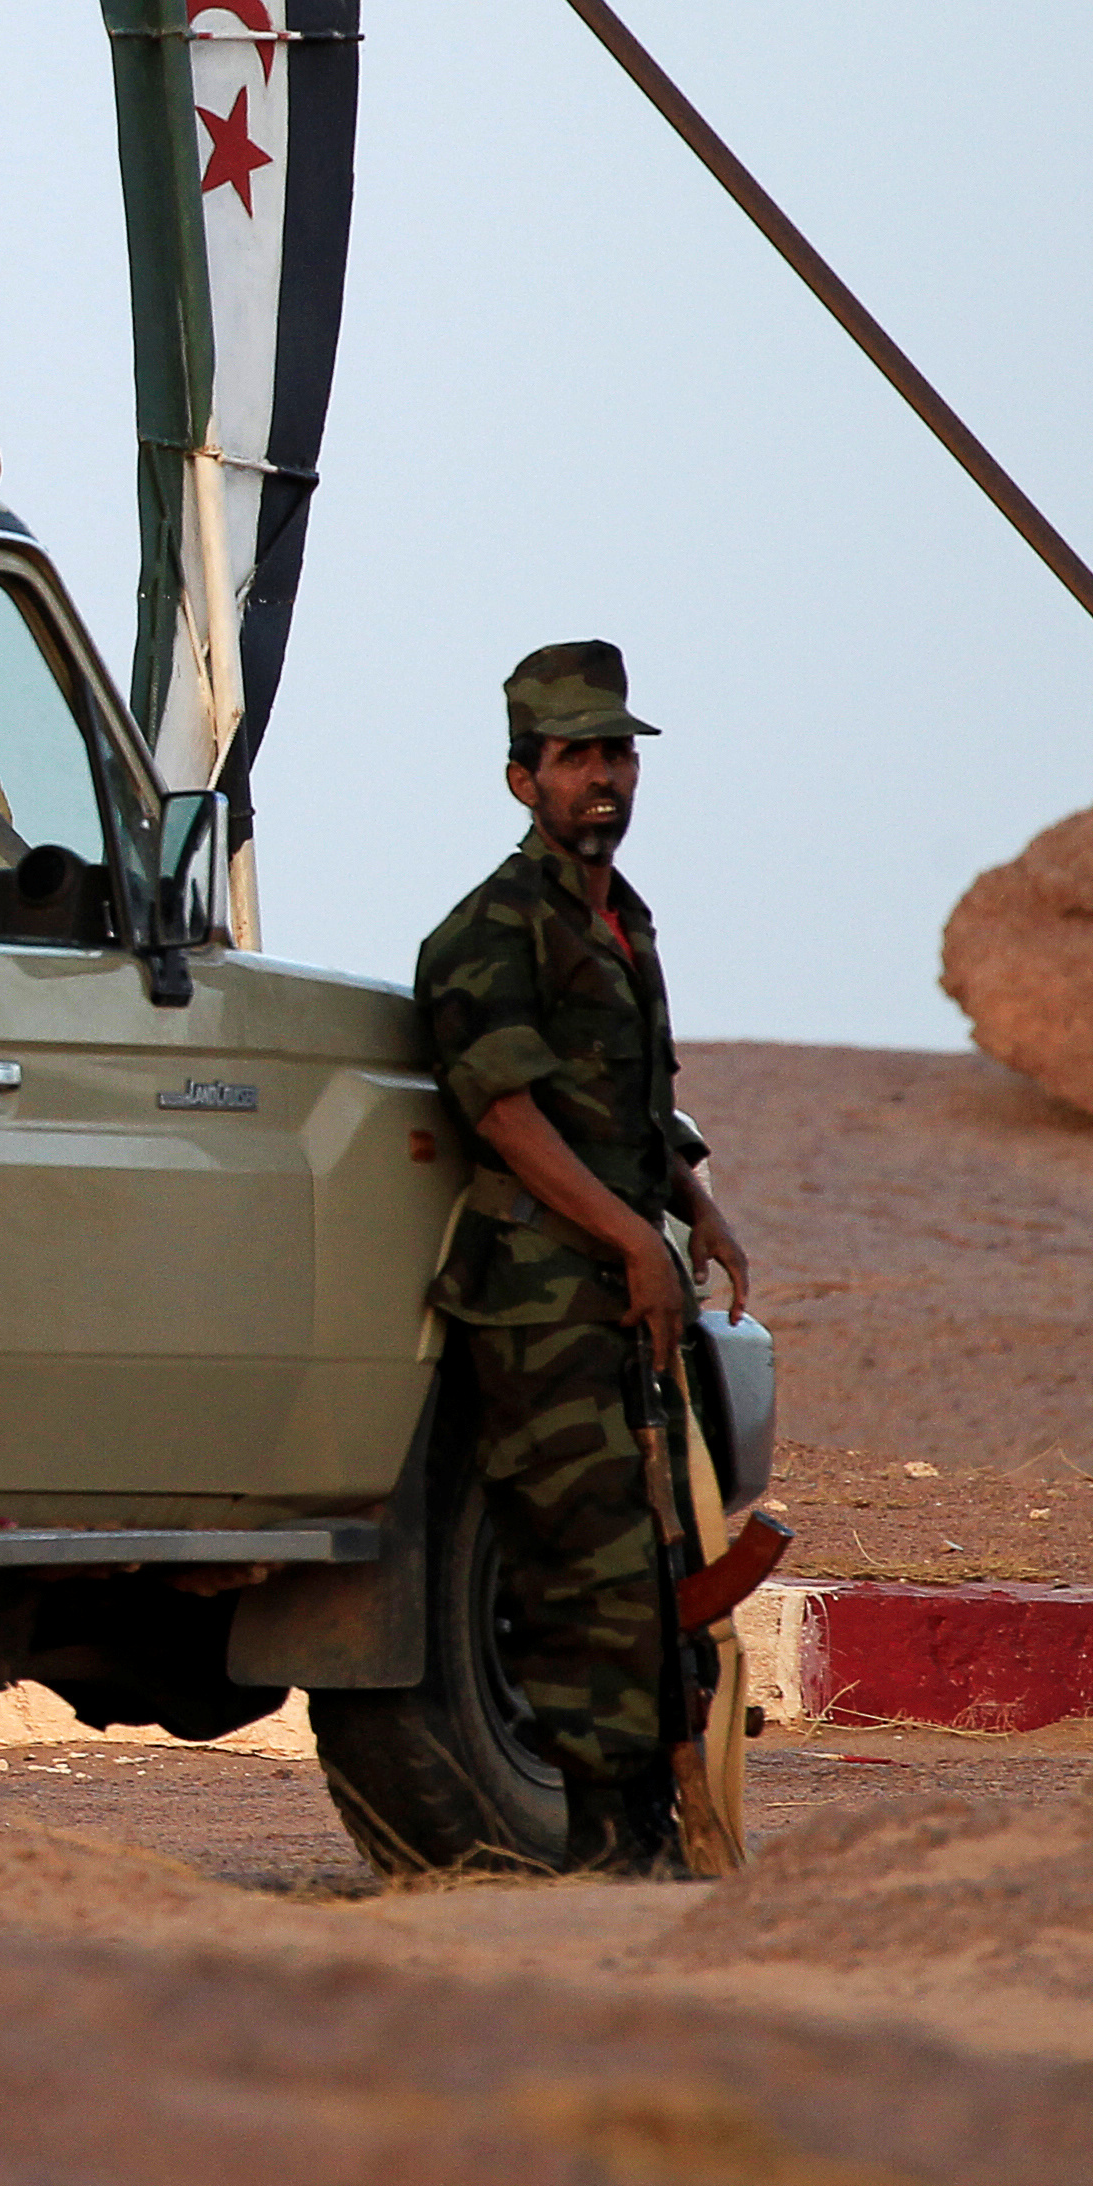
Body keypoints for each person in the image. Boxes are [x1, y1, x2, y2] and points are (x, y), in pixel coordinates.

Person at [411, 641, 759, 1875]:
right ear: (522, 781)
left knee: (652, 1554)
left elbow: (620, 1102)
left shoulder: (618, 919)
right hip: (541, 1297)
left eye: (617, 753)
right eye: (574, 758)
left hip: (620, 1285)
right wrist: (633, 1246)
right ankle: (610, 1839)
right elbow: (507, 1114)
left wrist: (691, 1207)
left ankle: (652, 1830)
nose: (603, 777)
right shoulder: (489, 934)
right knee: (583, 1571)